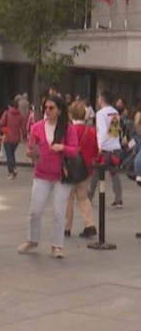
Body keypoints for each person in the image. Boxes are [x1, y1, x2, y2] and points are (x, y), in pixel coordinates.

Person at [20, 95, 79, 259]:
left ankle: (57, 245)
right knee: (35, 210)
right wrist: (30, 153)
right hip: (41, 173)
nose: (47, 111)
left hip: (61, 175)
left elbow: (74, 150)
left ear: (60, 110)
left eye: (51, 108)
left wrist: (62, 147)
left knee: (59, 212)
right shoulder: (37, 127)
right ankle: (32, 239)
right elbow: (31, 146)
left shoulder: (68, 128)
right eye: (45, 107)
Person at [65, 101, 98, 239]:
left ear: (71, 114)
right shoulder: (90, 131)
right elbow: (96, 150)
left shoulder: (69, 129)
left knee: (69, 198)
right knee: (83, 198)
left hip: (71, 169)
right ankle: (89, 224)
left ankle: (66, 227)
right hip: (86, 169)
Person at [91, 90, 124, 208]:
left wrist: (100, 147)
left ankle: (89, 196)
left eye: (99, 96)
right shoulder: (114, 112)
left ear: (103, 99)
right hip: (114, 147)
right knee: (114, 173)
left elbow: (102, 131)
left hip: (105, 148)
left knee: (95, 172)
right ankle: (118, 198)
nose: (98, 98)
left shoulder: (100, 113)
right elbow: (114, 131)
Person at [0, 98, 28, 179]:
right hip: (16, 138)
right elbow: (23, 128)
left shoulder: (6, 113)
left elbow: (1, 123)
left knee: (9, 155)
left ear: (9, 106)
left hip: (7, 137)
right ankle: (13, 168)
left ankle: (11, 171)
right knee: (12, 154)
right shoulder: (21, 115)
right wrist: (25, 137)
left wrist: (5, 130)